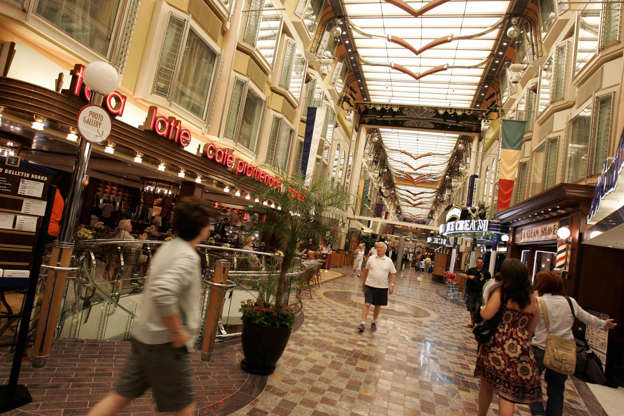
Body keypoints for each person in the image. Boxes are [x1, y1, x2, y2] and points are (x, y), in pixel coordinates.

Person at [87, 198, 212, 416]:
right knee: (184, 409)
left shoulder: (168, 247)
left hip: (144, 338)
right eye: (208, 223)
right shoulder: (188, 257)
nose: (210, 228)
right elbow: (163, 292)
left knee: (119, 397)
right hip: (166, 345)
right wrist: (177, 331)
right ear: (201, 228)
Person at [529, 271, 617, 416]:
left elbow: (529, 323)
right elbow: (587, 318)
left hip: (540, 348)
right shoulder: (570, 301)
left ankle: (538, 413)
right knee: (557, 389)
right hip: (564, 350)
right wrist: (604, 324)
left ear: (541, 285)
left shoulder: (538, 301)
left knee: (531, 385)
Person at [475, 258, 541, 416]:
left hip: (496, 344)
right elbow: (532, 329)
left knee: (486, 386)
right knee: (507, 395)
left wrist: (482, 309)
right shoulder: (532, 299)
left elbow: (488, 314)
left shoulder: (501, 292)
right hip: (520, 348)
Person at [358, 242, 397, 333]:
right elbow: (366, 271)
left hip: (382, 287)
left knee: (377, 306)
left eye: (380, 248)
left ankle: (374, 321)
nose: (378, 249)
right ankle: (362, 323)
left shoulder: (388, 261)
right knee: (367, 304)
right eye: (377, 248)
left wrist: (392, 285)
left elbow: (394, 274)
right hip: (370, 285)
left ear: (385, 250)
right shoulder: (371, 259)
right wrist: (364, 283)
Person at [466, 257, 492, 327]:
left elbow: (489, 282)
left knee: (478, 308)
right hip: (471, 291)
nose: (479, 264)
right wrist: (469, 277)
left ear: (483, 263)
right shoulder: (471, 270)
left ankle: (477, 323)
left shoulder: (486, 272)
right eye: (478, 262)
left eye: (481, 263)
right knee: (471, 308)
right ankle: (472, 323)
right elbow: (466, 276)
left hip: (480, 292)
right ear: (476, 262)